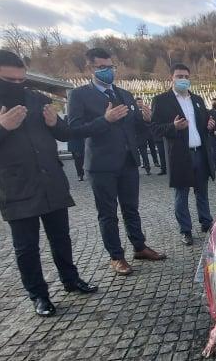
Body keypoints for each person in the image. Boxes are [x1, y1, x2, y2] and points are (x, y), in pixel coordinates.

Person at [0, 49, 97, 317]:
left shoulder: (34, 97)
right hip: (16, 184)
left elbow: (64, 131)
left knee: (61, 237)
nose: (17, 85)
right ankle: (38, 295)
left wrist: (54, 123)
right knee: (26, 246)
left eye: (21, 79)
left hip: (50, 179)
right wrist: (0, 127)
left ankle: (71, 279)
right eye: (10, 80)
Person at [67, 48, 167, 276]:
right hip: (101, 165)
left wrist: (148, 120)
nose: (107, 71)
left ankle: (139, 246)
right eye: (101, 67)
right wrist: (105, 120)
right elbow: (74, 130)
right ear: (89, 69)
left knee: (131, 208)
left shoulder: (124, 94)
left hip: (128, 161)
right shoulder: (79, 95)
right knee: (108, 213)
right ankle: (116, 256)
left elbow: (134, 128)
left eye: (110, 66)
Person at [150, 64, 216, 245]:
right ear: (171, 78)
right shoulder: (161, 100)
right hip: (180, 155)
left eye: (186, 76)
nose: (183, 79)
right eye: (179, 76)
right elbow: (154, 129)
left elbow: (202, 125)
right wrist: (173, 127)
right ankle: (186, 230)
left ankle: (206, 222)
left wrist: (210, 127)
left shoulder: (197, 99)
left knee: (202, 192)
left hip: (200, 153)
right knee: (181, 195)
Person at [134, 97, 158, 175]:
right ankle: (147, 168)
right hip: (140, 135)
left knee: (153, 149)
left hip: (149, 133)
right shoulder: (134, 112)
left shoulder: (147, 110)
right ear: (135, 103)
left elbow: (152, 120)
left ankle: (156, 161)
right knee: (143, 152)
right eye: (138, 102)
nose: (140, 103)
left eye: (141, 102)